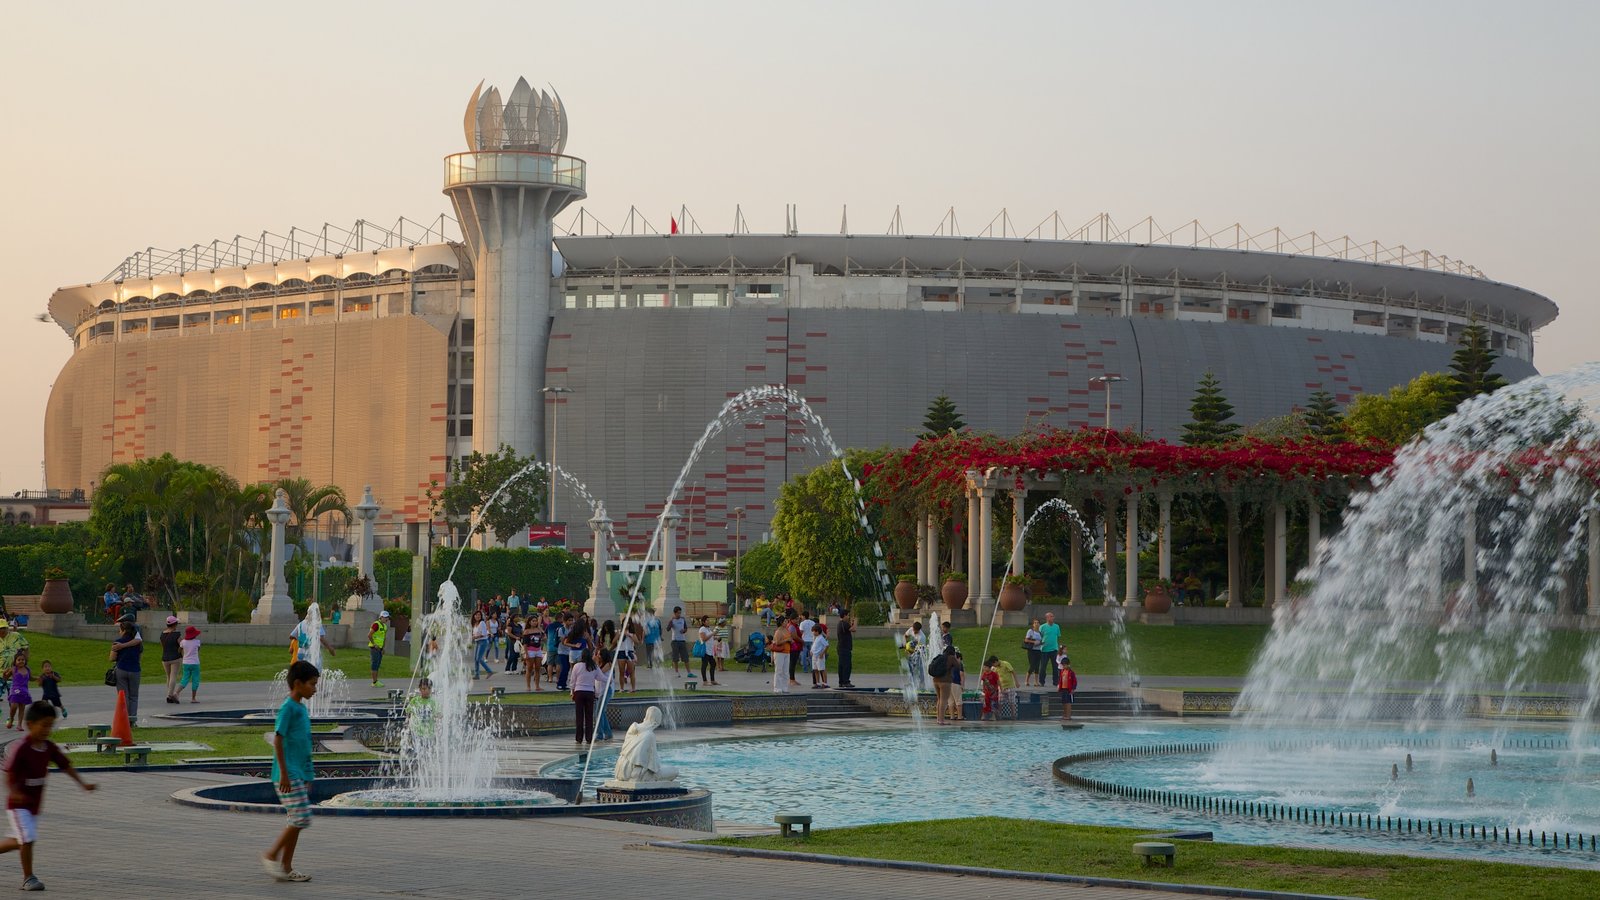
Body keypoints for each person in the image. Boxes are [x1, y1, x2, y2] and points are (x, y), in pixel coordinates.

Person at [1, 701, 97, 891]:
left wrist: (83, 783)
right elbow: (8, 774)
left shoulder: (48, 747)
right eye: (43, 725)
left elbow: (65, 765)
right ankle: (28, 878)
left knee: (18, 841)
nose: (47, 729)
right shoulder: (22, 748)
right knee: (27, 838)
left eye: (50, 725)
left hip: (34, 806)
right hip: (18, 806)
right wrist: (15, 792)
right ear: (30, 725)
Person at [261, 660, 318, 883]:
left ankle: (286, 867)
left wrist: (309, 775)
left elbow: (304, 744)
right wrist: (284, 773)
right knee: (301, 818)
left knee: (295, 821)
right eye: (312, 684)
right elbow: (278, 740)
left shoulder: (301, 708)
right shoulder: (288, 708)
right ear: (298, 683)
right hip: (287, 775)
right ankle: (271, 855)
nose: (315, 689)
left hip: (298, 774)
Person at [108, 616, 143, 725]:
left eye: (120, 630)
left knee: (123, 696)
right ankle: (132, 720)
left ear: (123, 630)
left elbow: (112, 658)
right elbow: (140, 656)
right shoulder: (138, 643)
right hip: (135, 670)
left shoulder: (117, 642)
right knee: (134, 696)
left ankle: (124, 720)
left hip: (121, 669)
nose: (119, 632)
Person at [570, 647, 600, 745]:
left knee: (579, 716)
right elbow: (601, 677)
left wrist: (572, 691)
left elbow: (573, 681)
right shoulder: (593, 666)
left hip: (579, 692)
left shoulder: (577, 666)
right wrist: (610, 679)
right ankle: (589, 738)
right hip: (589, 692)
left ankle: (579, 738)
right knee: (589, 716)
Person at [160, 615, 183, 704]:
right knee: (173, 676)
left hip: (165, 658)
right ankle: (170, 695)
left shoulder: (162, 634)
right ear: (174, 624)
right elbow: (181, 645)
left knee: (168, 676)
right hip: (175, 657)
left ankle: (169, 693)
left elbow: (163, 646)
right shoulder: (177, 634)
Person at [929, 644, 955, 725]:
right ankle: (941, 720)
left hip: (935, 680)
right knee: (944, 701)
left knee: (939, 699)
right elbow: (958, 666)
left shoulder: (940, 657)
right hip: (945, 682)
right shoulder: (951, 658)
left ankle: (938, 719)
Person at [5, 652, 31, 731]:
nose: (21, 661)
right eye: (18, 660)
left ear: (25, 661)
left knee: (22, 707)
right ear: (15, 661)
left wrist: (37, 678)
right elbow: (6, 678)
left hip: (24, 690)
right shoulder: (13, 669)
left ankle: (19, 725)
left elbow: (31, 677)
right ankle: (11, 719)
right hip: (15, 689)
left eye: (22, 660)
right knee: (14, 706)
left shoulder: (27, 669)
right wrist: (4, 674)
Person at [768, 615, 793, 694]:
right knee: (779, 670)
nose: (786, 622)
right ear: (781, 623)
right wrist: (787, 640)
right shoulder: (778, 631)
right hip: (779, 653)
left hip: (787, 652)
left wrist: (790, 641)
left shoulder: (787, 630)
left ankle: (784, 687)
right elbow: (777, 642)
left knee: (785, 671)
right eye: (785, 621)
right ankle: (777, 687)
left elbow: (790, 638)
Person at [593, 650, 615, 741]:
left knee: (599, 712)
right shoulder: (599, 664)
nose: (597, 656)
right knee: (601, 712)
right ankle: (608, 733)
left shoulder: (608, 664)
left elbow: (599, 673)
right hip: (600, 691)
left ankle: (600, 734)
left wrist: (596, 662)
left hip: (606, 691)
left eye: (599, 654)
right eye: (597, 654)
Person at [177, 626, 202, 703]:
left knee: (185, 678)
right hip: (195, 663)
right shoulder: (197, 642)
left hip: (186, 663)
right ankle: (193, 698)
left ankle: (176, 692)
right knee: (195, 679)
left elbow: (179, 650)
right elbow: (198, 649)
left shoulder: (183, 642)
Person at [1038, 611, 1062, 688]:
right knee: (1043, 667)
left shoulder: (1056, 626)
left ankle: (1056, 681)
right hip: (1044, 650)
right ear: (1047, 618)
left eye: (1053, 616)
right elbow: (1039, 637)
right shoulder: (1042, 627)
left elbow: (1057, 636)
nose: (1052, 618)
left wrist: (1058, 648)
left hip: (1054, 649)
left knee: (1055, 666)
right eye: (1051, 616)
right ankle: (1041, 681)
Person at [616, 616, 640, 692]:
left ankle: (633, 688)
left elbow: (637, 642)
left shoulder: (632, 633)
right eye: (624, 622)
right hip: (621, 651)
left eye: (627, 623)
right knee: (621, 671)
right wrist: (621, 634)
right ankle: (621, 688)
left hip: (629, 651)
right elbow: (614, 641)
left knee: (631, 671)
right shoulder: (619, 632)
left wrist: (629, 635)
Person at [368, 610, 390, 687]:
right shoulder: (376, 624)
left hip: (380, 648)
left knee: (377, 664)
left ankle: (376, 681)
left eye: (387, 617)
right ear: (380, 617)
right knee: (374, 664)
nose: (386, 619)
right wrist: (374, 644)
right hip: (374, 648)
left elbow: (383, 638)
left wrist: (383, 648)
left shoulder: (385, 626)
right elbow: (369, 635)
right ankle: (374, 682)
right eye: (385, 617)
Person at [470, 610, 493, 681]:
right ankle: (477, 674)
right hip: (477, 642)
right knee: (475, 659)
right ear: (474, 616)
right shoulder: (475, 624)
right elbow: (474, 633)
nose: (477, 616)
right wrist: (473, 636)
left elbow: (484, 633)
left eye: (479, 615)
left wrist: (475, 637)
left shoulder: (482, 623)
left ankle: (489, 671)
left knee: (479, 658)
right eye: (476, 615)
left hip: (482, 641)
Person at [523, 616, 544, 692]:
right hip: (530, 650)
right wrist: (526, 654)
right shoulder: (527, 631)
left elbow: (541, 639)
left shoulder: (538, 630)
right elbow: (525, 644)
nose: (535, 622)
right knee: (529, 668)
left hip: (538, 650)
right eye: (533, 621)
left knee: (538, 668)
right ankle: (528, 686)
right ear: (529, 622)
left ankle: (537, 686)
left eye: (536, 621)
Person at [835, 610, 855, 688]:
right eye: (847, 615)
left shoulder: (841, 624)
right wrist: (856, 622)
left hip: (841, 648)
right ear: (844, 615)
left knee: (841, 665)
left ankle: (842, 682)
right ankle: (846, 681)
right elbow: (853, 629)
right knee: (847, 665)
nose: (848, 617)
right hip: (844, 648)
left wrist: (852, 623)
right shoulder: (844, 623)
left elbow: (850, 628)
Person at [995, 654, 1019, 719]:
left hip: (1010, 686)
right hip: (1001, 686)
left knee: (1011, 701)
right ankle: (999, 715)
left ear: (996, 661)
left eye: (994, 664)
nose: (993, 666)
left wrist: (1016, 682)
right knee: (1000, 701)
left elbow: (1013, 672)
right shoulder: (994, 668)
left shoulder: (1006, 664)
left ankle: (1013, 715)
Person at [696, 617, 718, 686]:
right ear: (703, 622)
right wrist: (712, 634)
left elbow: (710, 637)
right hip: (705, 650)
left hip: (710, 650)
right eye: (707, 620)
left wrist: (716, 637)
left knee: (713, 664)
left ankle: (712, 680)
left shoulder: (708, 629)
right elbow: (704, 638)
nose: (709, 621)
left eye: (709, 620)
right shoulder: (702, 629)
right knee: (704, 665)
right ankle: (704, 681)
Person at [667, 607, 689, 675]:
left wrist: (684, 630)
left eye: (680, 613)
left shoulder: (682, 619)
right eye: (678, 613)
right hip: (675, 641)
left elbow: (686, 628)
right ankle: (676, 671)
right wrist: (671, 622)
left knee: (685, 657)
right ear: (675, 613)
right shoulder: (672, 620)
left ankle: (689, 672)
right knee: (675, 657)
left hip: (682, 640)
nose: (679, 614)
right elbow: (668, 629)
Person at [1022, 618, 1044, 687]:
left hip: (1038, 650)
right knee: (1032, 665)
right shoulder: (1030, 631)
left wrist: (1041, 643)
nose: (1036, 624)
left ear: (1039, 624)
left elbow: (1040, 641)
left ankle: (1036, 682)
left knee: (1037, 666)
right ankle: (1026, 680)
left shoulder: (1040, 633)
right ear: (1033, 624)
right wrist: (1034, 642)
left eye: (1037, 623)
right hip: (1031, 650)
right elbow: (1026, 640)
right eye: (1035, 623)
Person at [980, 656, 1001, 721]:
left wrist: (1001, 688)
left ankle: (993, 716)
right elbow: (983, 682)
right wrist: (983, 689)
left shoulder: (994, 674)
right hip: (987, 692)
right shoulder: (984, 674)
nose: (984, 668)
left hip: (994, 692)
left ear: (989, 668)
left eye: (985, 667)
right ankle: (984, 715)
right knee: (985, 704)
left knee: (993, 704)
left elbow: (998, 682)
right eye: (984, 667)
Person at [1057, 653, 1078, 721]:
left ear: (1068, 664)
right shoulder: (1062, 671)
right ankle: (1065, 714)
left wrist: (1073, 689)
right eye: (1062, 665)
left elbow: (1074, 681)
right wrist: (1059, 687)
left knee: (1068, 703)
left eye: (1064, 665)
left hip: (1068, 689)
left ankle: (1068, 715)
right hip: (1063, 688)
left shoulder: (1071, 672)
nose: (1063, 666)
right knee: (1064, 702)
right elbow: (1060, 680)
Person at [810, 625, 829, 689]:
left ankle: (825, 683)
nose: (813, 633)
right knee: (815, 669)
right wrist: (811, 651)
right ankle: (817, 683)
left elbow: (826, 645)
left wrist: (822, 653)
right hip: (814, 656)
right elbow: (813, 645)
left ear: (817, 632)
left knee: (822, 669)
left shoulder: (821, 638)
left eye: (813, 631)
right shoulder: (815, 637)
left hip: (819, 656)